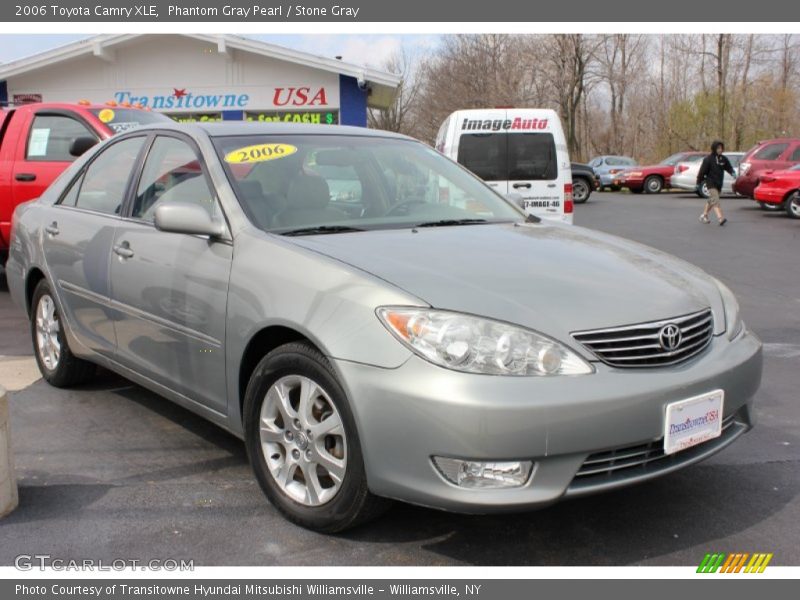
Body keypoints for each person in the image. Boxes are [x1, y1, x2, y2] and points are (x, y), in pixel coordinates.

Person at [697, 140, 736, 226]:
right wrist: (698, 182)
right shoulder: (708, 159)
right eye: (718, 148)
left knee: (712, 200)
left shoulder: (723, 159)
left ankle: (704, 215)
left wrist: (732, 172)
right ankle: (720, 218)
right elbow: (702, 172)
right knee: (715, 199)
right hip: (710, 182)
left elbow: (728, 167)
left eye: (721, 148)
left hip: (719, 183)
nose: (720, 150)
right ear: (714, 148)